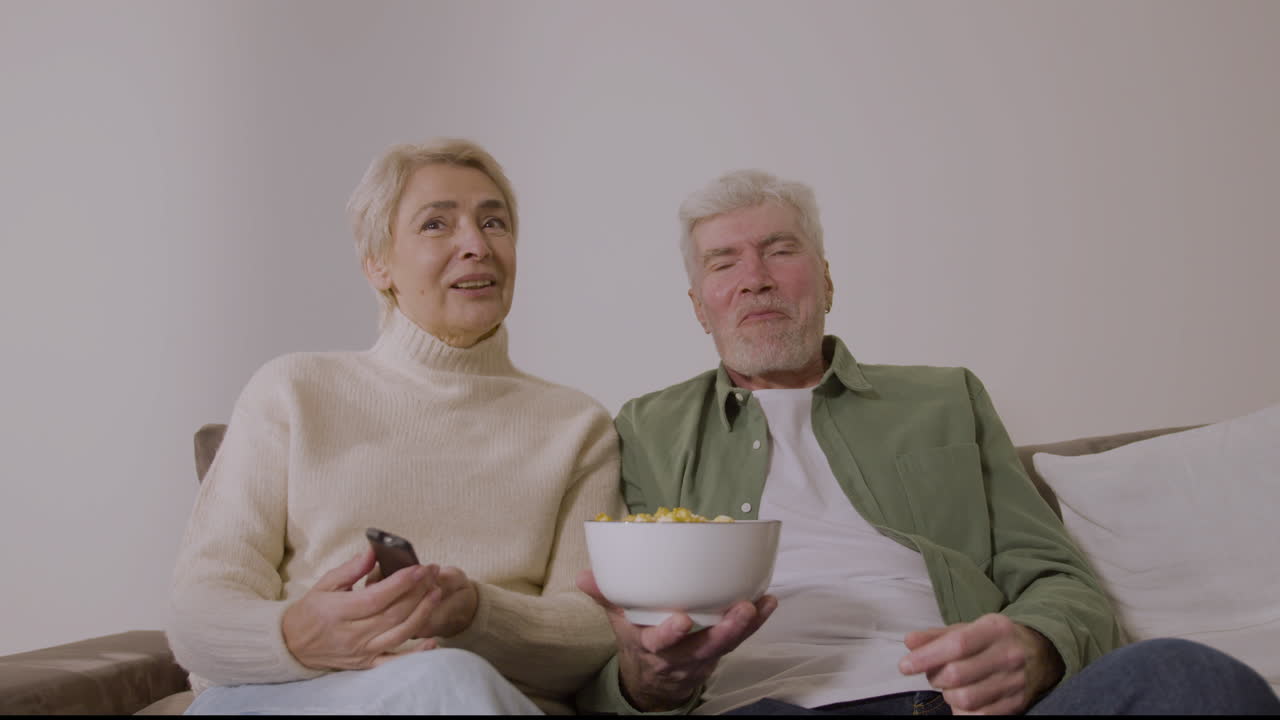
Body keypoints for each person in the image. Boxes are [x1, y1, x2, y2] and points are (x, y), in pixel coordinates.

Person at [575, 169, 1280, 715]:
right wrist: (647, 679)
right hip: (762, 705)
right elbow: (616, 654)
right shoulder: (644, 429)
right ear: (699, 306)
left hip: (964, 703)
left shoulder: (947, 399)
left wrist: (1033, 646)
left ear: (824, 279)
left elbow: (1057, 577)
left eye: (780, 249)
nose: (755, 278)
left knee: (1190, 677)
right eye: (723, 262)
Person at [168, 138, 623, 715]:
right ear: (377, 264)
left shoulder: (576, 425)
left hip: (476, 695)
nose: (476, 245)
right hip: (290, 696)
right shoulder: (293, 390)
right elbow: (197, 613)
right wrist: (295, 634)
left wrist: (474, 613)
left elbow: (592, 633)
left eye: (494, 222)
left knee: (449, 680)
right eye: (437, 224)